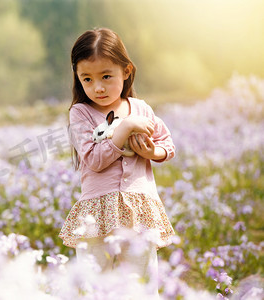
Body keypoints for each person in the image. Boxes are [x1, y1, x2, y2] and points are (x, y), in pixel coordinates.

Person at [59, 28, 175, 296]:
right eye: (87, 79)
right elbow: (93, 160)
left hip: (139, 211)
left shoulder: (141, 109)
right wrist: (125, 129)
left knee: (142, 285)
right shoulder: (81, 113)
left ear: (126, 71)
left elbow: (167, 145)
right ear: (77, 77)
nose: (97, 87)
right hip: (96, 215)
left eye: (106, 76)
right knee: (95, 285)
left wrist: (151, 153)